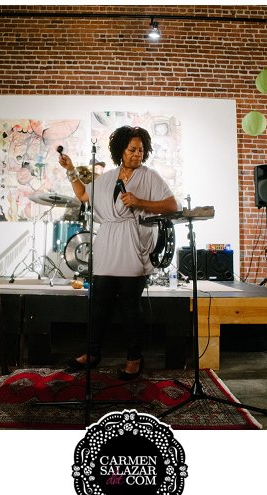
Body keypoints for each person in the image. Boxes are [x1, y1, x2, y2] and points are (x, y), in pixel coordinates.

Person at [58, 126, 178, 380]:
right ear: (120, 151)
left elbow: (171, 205)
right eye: (132, 149)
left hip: (132, 244)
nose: (137, 154)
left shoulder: (150, 176)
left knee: (130, 307)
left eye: (141, 150)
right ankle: (92, 353)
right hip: (107, 243)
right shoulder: (108, 178)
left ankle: (134, 358)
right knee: (98, 304)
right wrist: (70, 170)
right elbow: (83, 194)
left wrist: (139, 202)